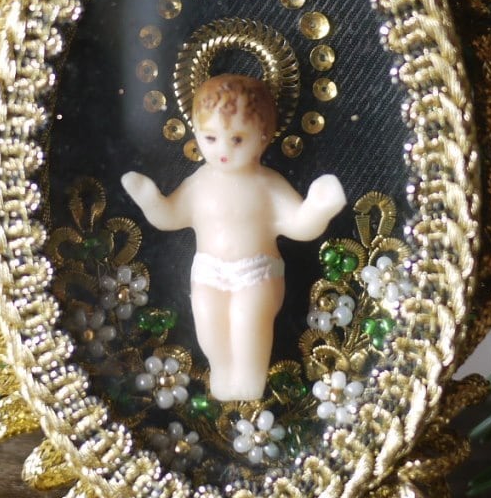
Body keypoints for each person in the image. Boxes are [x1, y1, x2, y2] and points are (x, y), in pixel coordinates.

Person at [122, 73, 346, 402]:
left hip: (256, 272)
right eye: (211, 138)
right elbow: (171, 217)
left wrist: (319, 208)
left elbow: (299, 225)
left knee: (247, 321)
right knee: (209, 323)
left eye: (237, 139)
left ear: (264, 137)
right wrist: (150, 200)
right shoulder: (200, 182)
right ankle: (223, 373)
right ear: (196, 134)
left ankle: (250, 379)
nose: (223, 150)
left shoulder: (267, 185)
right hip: (208, 271)